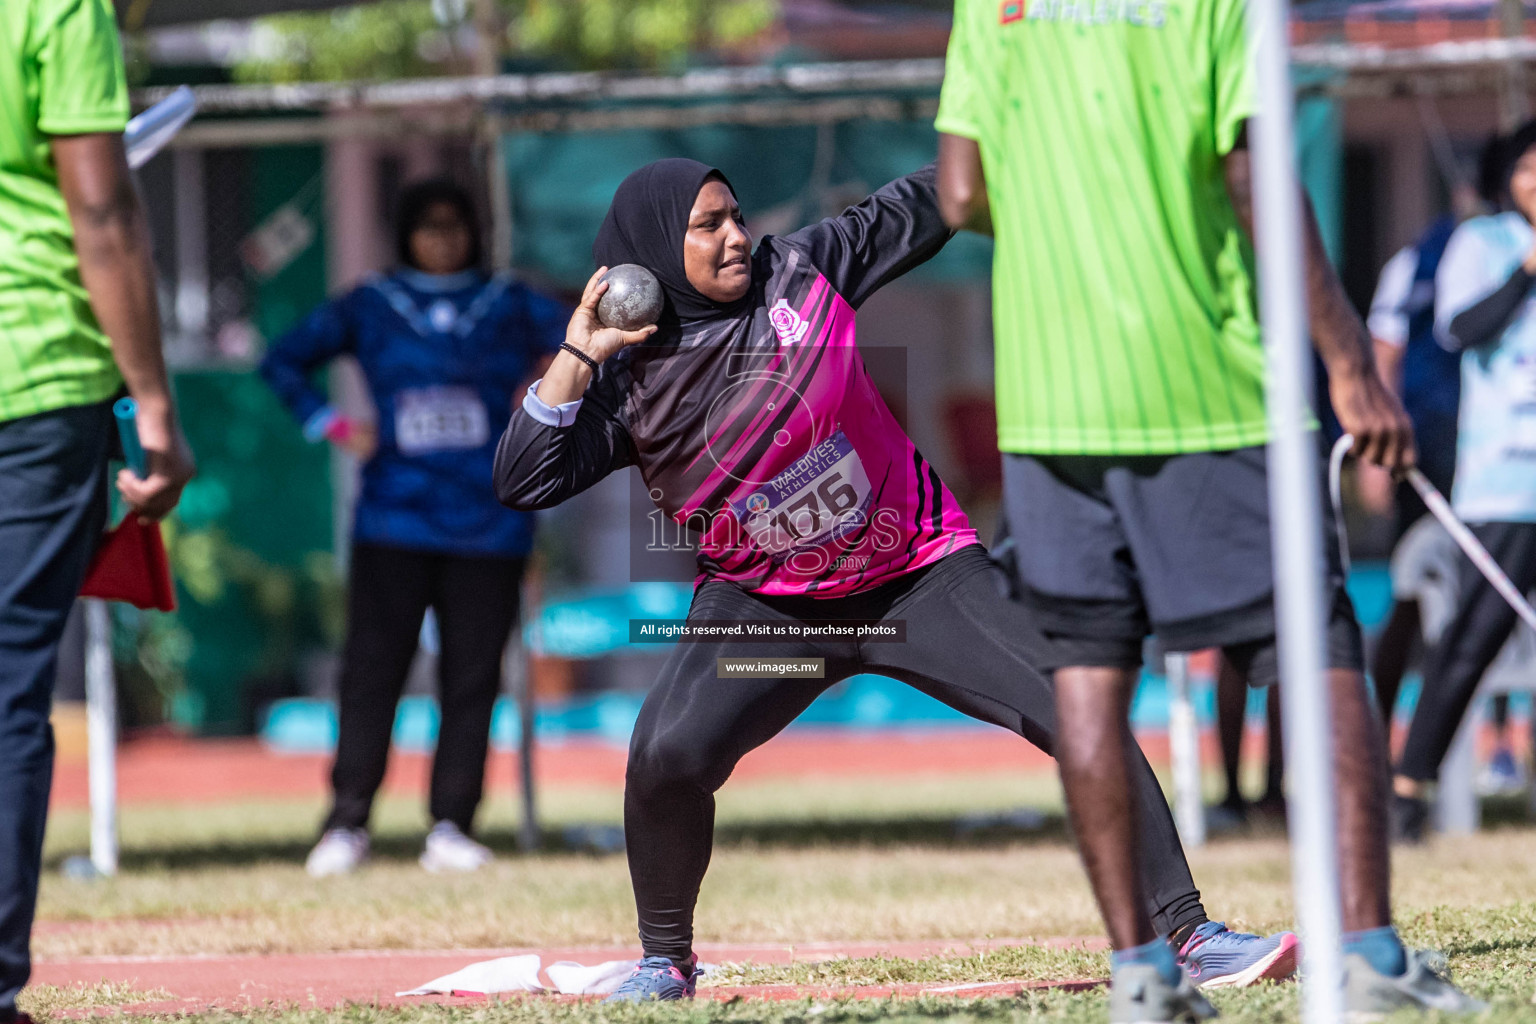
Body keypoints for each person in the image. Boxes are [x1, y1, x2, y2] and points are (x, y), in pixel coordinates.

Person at [494, 158, 1297, 1003]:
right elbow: (524, 478)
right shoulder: (630, 380)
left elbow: (923, 203)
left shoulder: (802, 272)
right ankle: (665, 964)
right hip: (772, 613)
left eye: (734, 214)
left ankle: (1193, 935)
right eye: (707, 226)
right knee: (664, 755)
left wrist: (1003, 133)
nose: (736, 236)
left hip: (916, 577)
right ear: (648, 256)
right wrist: (581, 351)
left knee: (1076, 711)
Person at [933, 0, 1482, 1017]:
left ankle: (1142, 975)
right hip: (1211, 390)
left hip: (1052, 398)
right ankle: (1366, 951)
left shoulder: (992, 7)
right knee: (1314, 648)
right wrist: (1350, 360)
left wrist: (1071, 224)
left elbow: (961, 192)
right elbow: (1252, 178)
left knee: (1089, 675)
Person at [260, 179, 566, 876]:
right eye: (427, 225)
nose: (443, 237)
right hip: (393, 519)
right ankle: (347, 823)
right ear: (405, 232)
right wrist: (330, 423)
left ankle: (453, 826)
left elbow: (592, 340)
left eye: (455, 223)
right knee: (371, 675)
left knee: (472, 678)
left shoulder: (509, 301)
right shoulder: (372, 304)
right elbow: (281, 359)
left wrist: (557, 414)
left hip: (489, 521)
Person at [0, 1, 195, 1020]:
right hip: (33, 377)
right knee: (5, 687)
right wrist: (152, 402)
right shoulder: (56, 10)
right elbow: (102, 210)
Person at [1392, 120, 1536, 841]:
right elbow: (1460, 330)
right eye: (1529, 171)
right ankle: (1409, 787)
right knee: (1472, 636)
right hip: (1505, 482)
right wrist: (1527, 272)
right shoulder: (1482, 245)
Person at [1365, 138, 1502, 740]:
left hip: (1501, 456)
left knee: (1498, 598)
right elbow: (1384, 354)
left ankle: (1501, 745)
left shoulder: (1512, 252)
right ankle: (1379, 732)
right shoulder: (1415, 259)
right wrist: (1375, 455)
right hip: (1429, 458)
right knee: (1412, 594)